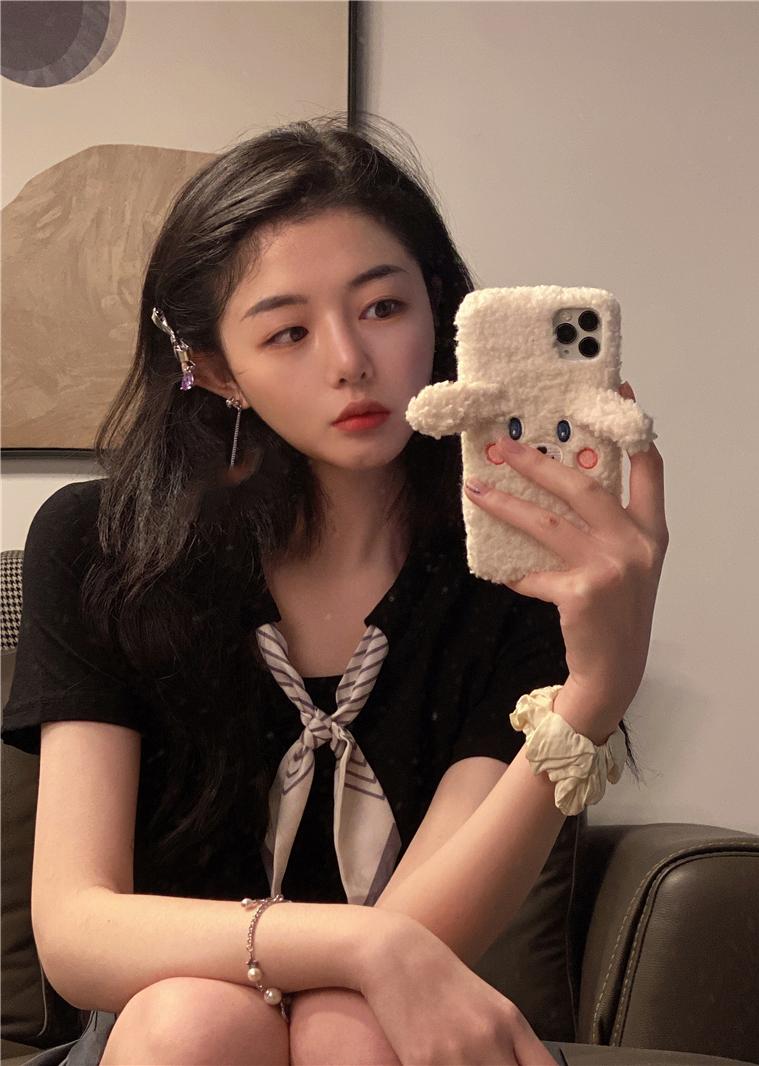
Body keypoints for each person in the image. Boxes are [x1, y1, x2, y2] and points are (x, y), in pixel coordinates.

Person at [1, 113, 668, 1066]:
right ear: (216, 370)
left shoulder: (515, 569)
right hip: (157, 1034)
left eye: (383, 308)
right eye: (288, 332)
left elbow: (432, 936)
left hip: (381, 1035)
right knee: (198, 1019)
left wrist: (596, 693)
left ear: (439, 310)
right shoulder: (102, 543)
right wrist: (362, 943)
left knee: (348, 1030)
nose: (349, 360)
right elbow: (78, 931)